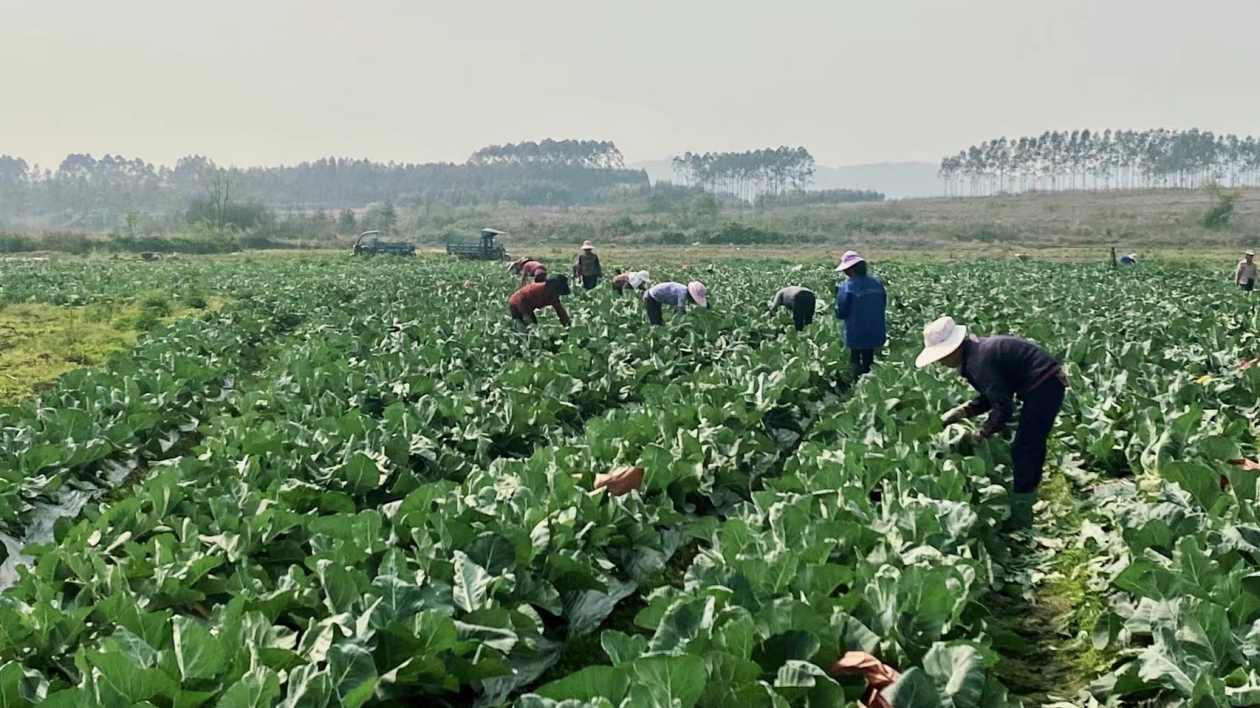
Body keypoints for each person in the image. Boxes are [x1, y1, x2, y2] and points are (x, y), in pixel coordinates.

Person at [917, 316, 1068, 532]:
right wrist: (963, 411)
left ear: (953, 349)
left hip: (1045, 384)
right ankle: (1029, 496)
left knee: (1025, 448)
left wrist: (984, 432)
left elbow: (1003, 406)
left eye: (941, 356)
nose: (940, 362)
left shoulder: (980, 361)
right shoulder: (976, 354)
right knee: (1029, 445)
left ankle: (1023, 513)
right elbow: (994, 394)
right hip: (1042, 382)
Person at [834, 251, 887, 378]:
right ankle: (869, 382)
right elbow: (883, 304)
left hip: (856, 330)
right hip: (875, 329)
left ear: (850, 270)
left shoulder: (847, 287)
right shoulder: (877, 284)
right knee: (869, 358)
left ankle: (856, 385)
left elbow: (841, 312)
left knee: (855, 360)